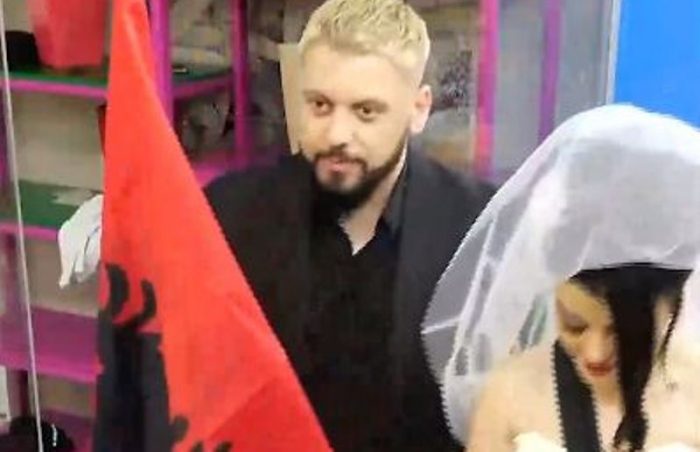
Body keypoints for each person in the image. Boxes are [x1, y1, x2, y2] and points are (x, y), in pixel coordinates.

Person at [205, 0, 493, 450]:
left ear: (418, 109)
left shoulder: (478, 228)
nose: (337, 134)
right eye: (320, 105)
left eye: (366, 111)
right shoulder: (231, 214)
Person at [423, 105, 700, 451]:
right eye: (574, 325)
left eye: (622, 332)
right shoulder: (510, 393)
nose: (595, 353)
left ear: (673, 303)